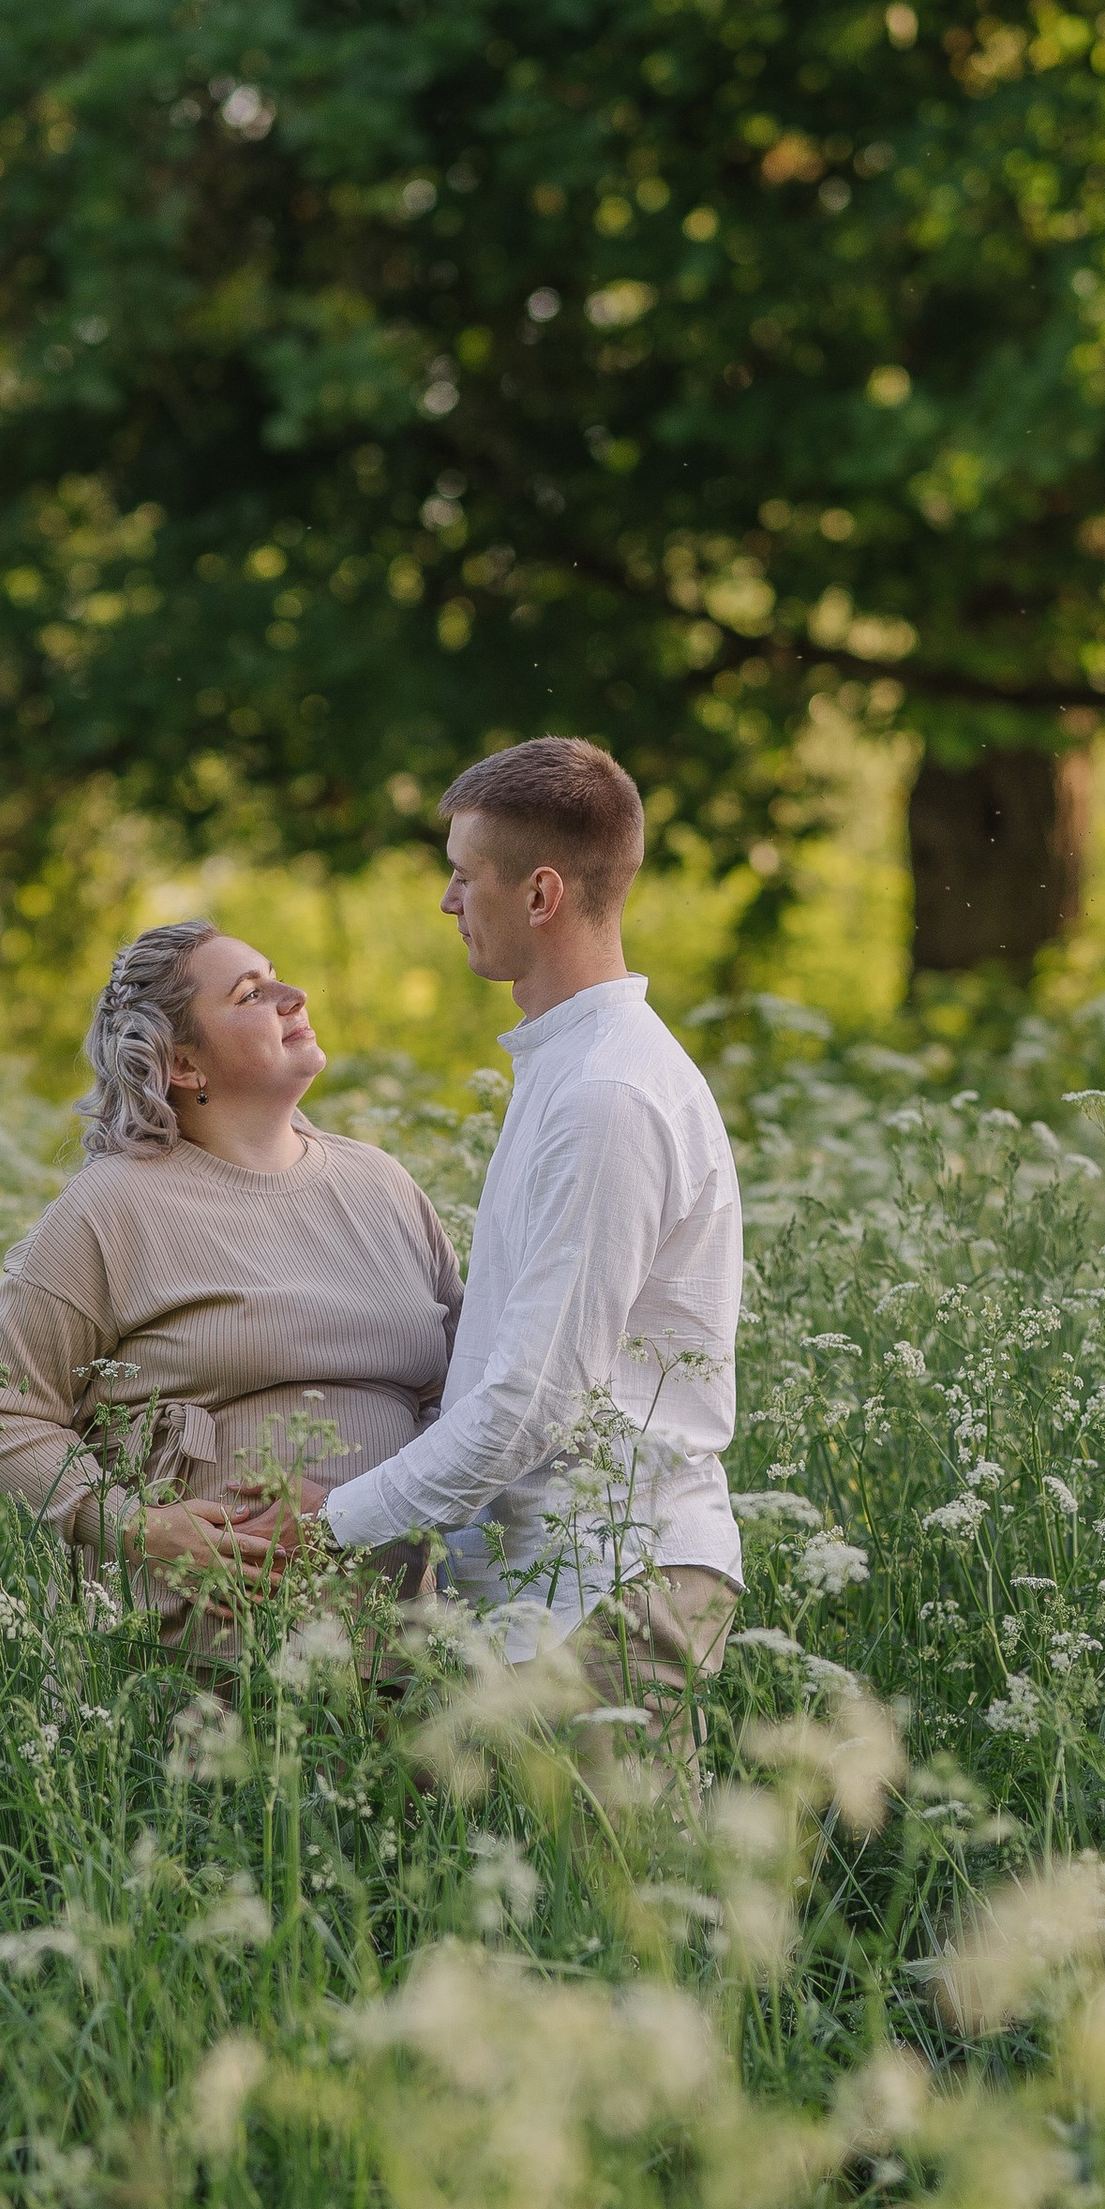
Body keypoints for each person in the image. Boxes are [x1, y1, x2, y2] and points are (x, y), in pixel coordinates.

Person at [243, 736, 743, 1768]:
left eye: (464, 875)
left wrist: (333, 1522)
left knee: (620, 1924)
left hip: (605, 1592)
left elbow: (532, 1401)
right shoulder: (568, 1068)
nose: (445, 900)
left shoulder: (607, 1094)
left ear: (541, 893)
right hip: (539, 1595)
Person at [0, 921, 461, 1648]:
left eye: (276, 975)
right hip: (203, 1657)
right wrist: (132, 1528)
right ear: (184, 1065)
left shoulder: (381, 1184)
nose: (293, 996)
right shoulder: (115, 1204)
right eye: (252, 993)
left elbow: (467, 1399)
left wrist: (375, 1512)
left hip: (403, 1649)